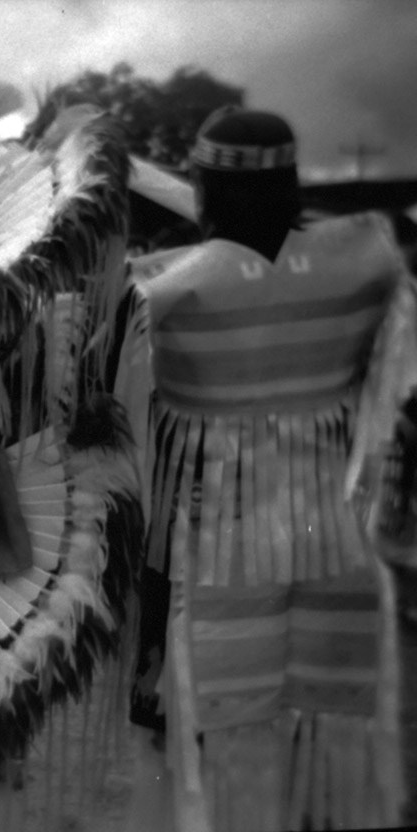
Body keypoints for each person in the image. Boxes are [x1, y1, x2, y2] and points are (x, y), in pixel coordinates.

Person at [115, 107, 415, 832]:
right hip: (336, 549)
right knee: (330, 733)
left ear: (205, 192)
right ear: (292, 181)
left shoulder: (166, 293)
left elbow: (145, 464)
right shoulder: (368, 261)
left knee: (228, 752)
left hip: (220, 554)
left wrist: (145, 623)